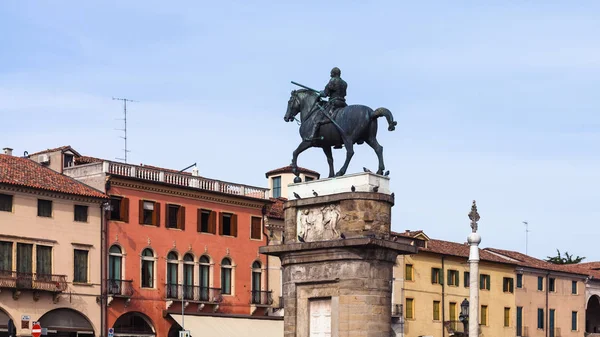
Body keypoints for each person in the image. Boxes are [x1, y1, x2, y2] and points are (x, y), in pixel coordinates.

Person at [306, 67, 348, 142]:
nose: (330, 75)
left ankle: (312, 135)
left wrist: (320, 93)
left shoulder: (333, 80)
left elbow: (325, 93)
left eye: (331, 73)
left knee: (318, 119)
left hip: (334, 103)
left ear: (334, 73)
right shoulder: (344, 83)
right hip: (343, 103)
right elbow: (344, 94)